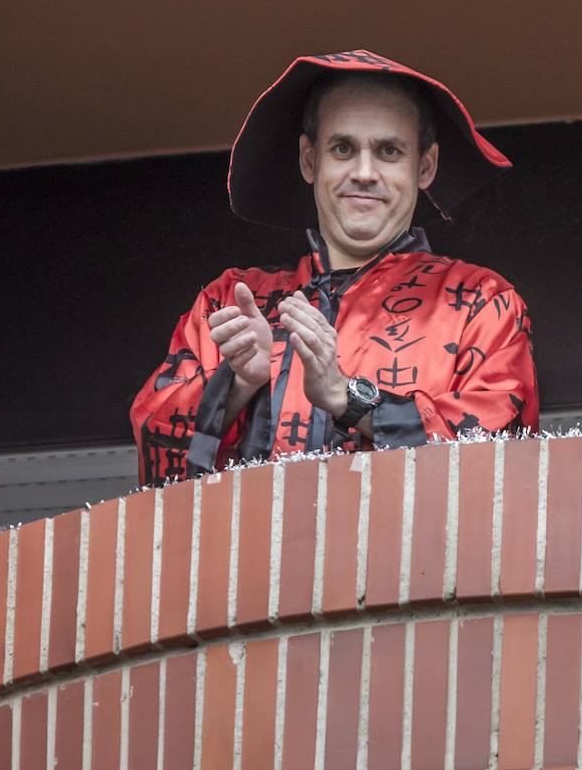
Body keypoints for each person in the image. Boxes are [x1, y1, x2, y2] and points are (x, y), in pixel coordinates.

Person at [131, 50, 539, 485]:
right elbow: (156, 459)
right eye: (343, 148)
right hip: (252, 552)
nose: (364, 172)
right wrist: (235, 385)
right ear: (310, 161)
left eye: (389, 151)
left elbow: (502, 463)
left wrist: (348, 399)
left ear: (425, 167)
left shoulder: (482, 301)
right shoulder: (230, 300)